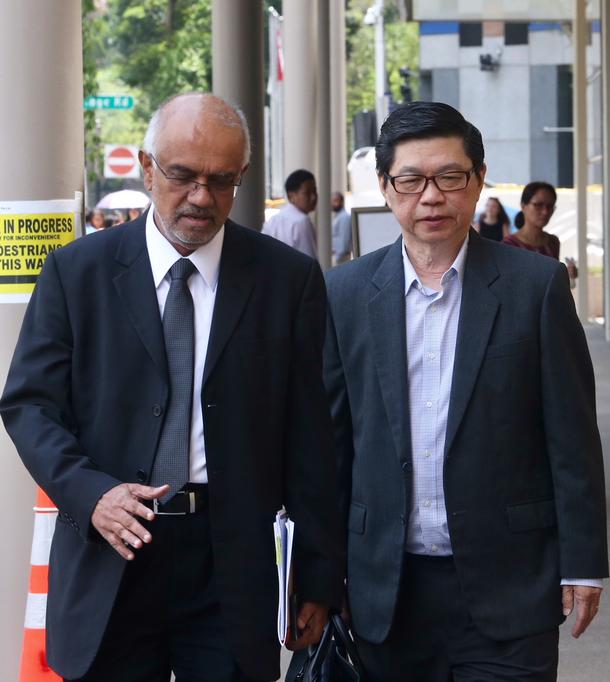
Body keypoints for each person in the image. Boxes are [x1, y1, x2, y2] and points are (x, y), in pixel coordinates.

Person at [0, 93, 343, 681]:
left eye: (222, 180)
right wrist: (91, 494)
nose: (201, 198)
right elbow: (30, 405)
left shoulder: (287, 281)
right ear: (147, 166)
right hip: (113, 550)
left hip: (230, 563)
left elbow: (313, 438)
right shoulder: (76, 272)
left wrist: (317, 575)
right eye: (183, 176)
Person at [321, 101, 608, 681]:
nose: (431, 196)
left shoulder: (536, 287)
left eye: (450, 177)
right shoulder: (344, 293)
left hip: (509, 583)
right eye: (411, 180)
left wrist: (583, 563)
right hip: (387, 590)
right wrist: (322, 574)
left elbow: (572, 436)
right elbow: (330, 445)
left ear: (477, 181)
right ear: (385, 186)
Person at [263, 168, 318, 259]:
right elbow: (310, 261)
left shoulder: (273, 220)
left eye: (315, 191)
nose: (313, 197)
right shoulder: (302, 221)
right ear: (291, 196)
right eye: (307, 193)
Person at [503, 181, 561, 259]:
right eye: (538, 205)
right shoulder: (509, 245)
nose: (545, 212)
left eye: (550, 206)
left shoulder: (553, 242)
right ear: (523, 206)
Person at [330, 191, 352, 263]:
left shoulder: (344, 217)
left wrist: (337, 257)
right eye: (332, 201)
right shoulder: (338, 217)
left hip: (341, 258)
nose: (333, 204)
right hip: (338, 257)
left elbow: (344, 239)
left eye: (335, 201)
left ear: (342, 202)